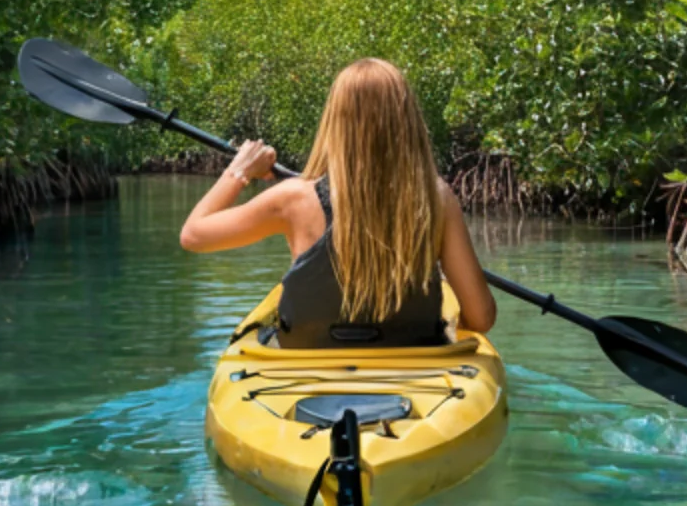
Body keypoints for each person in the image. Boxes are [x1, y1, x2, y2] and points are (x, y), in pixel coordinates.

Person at [179, 57, 496, 346]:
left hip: (307, 362)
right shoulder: (435, 198)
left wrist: (240, 170)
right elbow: (481, 318)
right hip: (412, 362)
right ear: (406, 122)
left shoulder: (292, 198)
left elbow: (193, 236)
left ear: (335, 121)